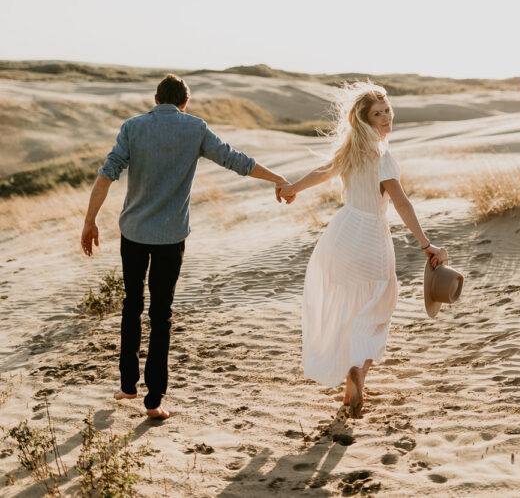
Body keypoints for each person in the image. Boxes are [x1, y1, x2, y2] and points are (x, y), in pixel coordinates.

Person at [81, 73, 290, 420]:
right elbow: (236, 160)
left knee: (132, 305)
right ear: (185, 102)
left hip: (133, 234)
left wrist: (90, 220)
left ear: (155, 99)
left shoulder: (132, 127)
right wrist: (279, 178)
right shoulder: (195, 128)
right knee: (161, 315)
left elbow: (107, 174)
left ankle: (128, 385)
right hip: (170, 238)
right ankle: (153, 401)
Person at [276, 82, 443, 417]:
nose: (386, 117)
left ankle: (349, 373)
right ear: (366, 120)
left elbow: (322, 172)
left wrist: (293, 188)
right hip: (370, 235)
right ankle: (358, 370)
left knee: (348, 307)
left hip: (341, 234)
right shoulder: (383, 157)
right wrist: (426, 244)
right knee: (379, 306)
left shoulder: (350, 151)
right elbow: (401, 203)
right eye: (377, 114)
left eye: (387, 110)